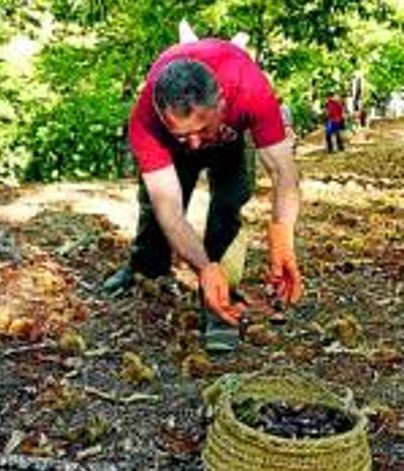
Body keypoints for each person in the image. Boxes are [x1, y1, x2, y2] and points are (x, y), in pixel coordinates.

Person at [103, 39, 303, 348]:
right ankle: (146, 267)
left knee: (230, 200)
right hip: (174, 146)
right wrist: (203, 268)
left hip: (232, 137)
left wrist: (282, 244)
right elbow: (170, 213)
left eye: (202, 129)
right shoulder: (146, 119)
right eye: (184, 134)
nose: (195, 145)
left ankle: (222, 299)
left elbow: (284, 172)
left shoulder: (250, 90)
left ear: (221, 102)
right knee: (154, 206)